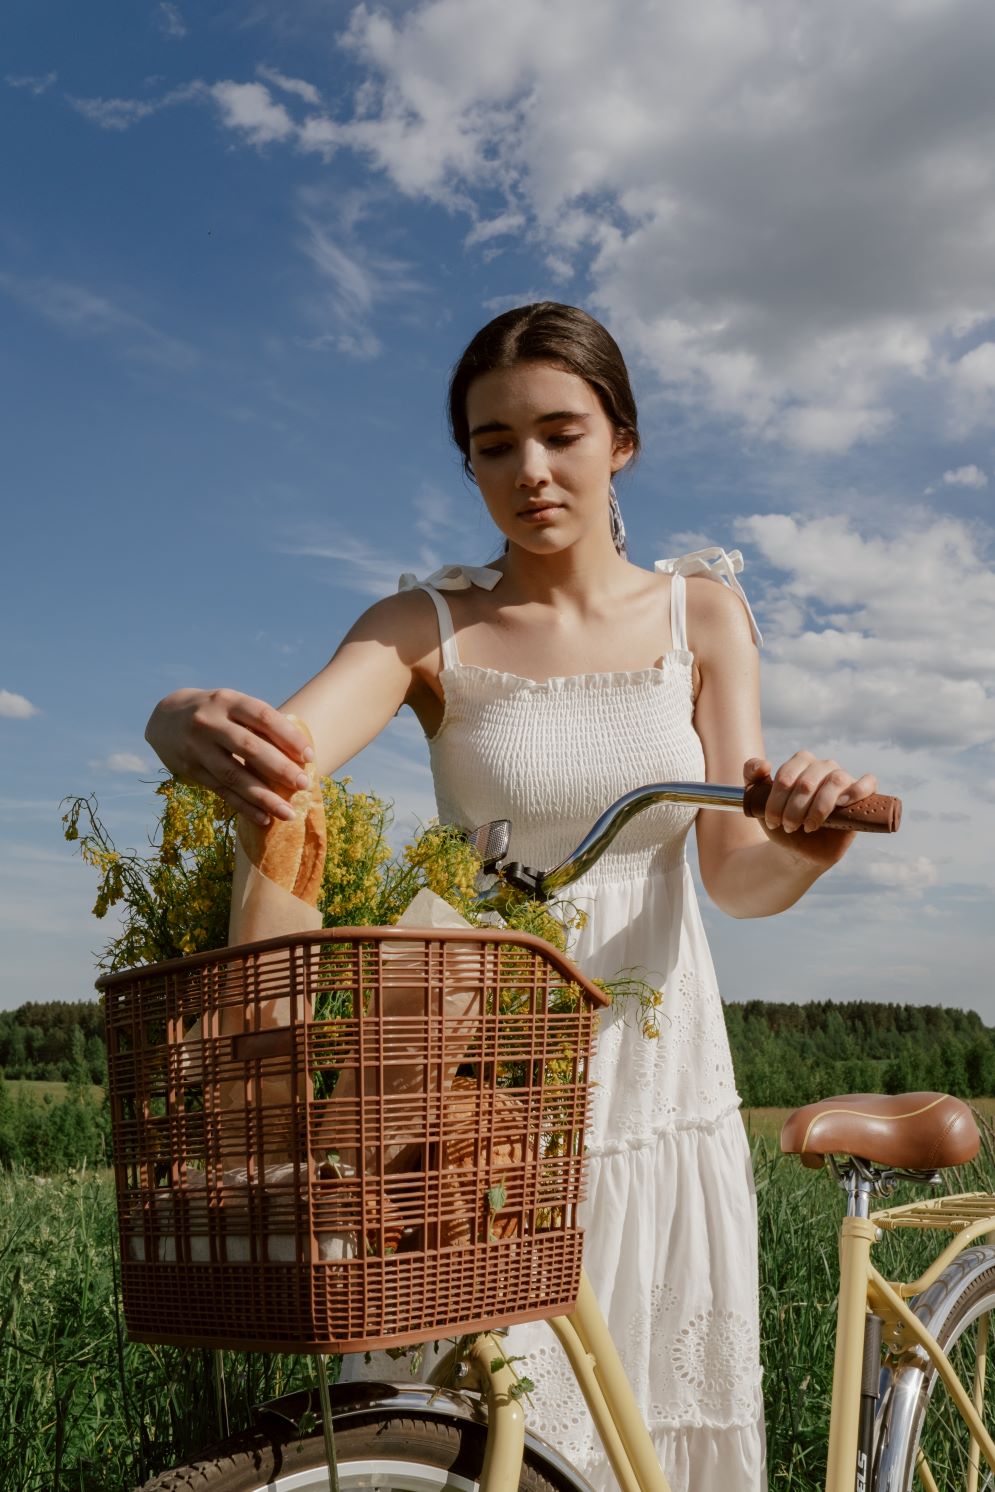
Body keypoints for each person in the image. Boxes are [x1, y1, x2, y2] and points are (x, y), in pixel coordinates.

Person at [146, 302, 876, 1492]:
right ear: (469, 459)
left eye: (559, 432)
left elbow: (736, 874)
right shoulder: (420, 627)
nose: (528, 470)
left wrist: (810, 842)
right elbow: (283, 755)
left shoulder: (700, 615)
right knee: (476, 1427)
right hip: (480, 1068)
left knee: (642, 1427)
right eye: (493, 444)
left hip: (651, 1066)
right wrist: (179, 719)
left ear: (620, 438)